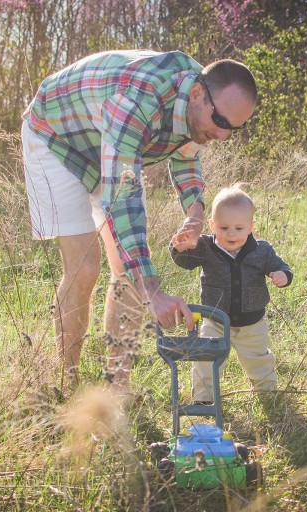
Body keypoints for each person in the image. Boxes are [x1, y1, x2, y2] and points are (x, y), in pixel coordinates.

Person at [21, 50, 258, 392]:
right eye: (221, 123)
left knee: (127, 272)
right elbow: (123, 201)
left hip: (111, 145)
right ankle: (66, 381)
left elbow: (187, 155)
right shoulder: (136, 104)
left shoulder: (199, 101)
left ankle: (117, 386)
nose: (222, 136)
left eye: (232, 129)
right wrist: (154, 293)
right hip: (57, 138)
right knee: (85, 267)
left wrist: (195, 214)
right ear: (196, 95)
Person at [170, 186, 292, 402]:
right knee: (206, 358)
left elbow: (280, 265)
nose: (231, 233)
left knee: (258, 359)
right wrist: (179, 248)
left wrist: (282, 275)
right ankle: (203, 398)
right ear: (212, 225)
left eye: (239, 227)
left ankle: (267, 395)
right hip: (215, 319)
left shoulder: (262, 250)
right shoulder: (206, 247)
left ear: (251, 227)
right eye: (224, 227)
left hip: (252, 322)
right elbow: (186, 262)